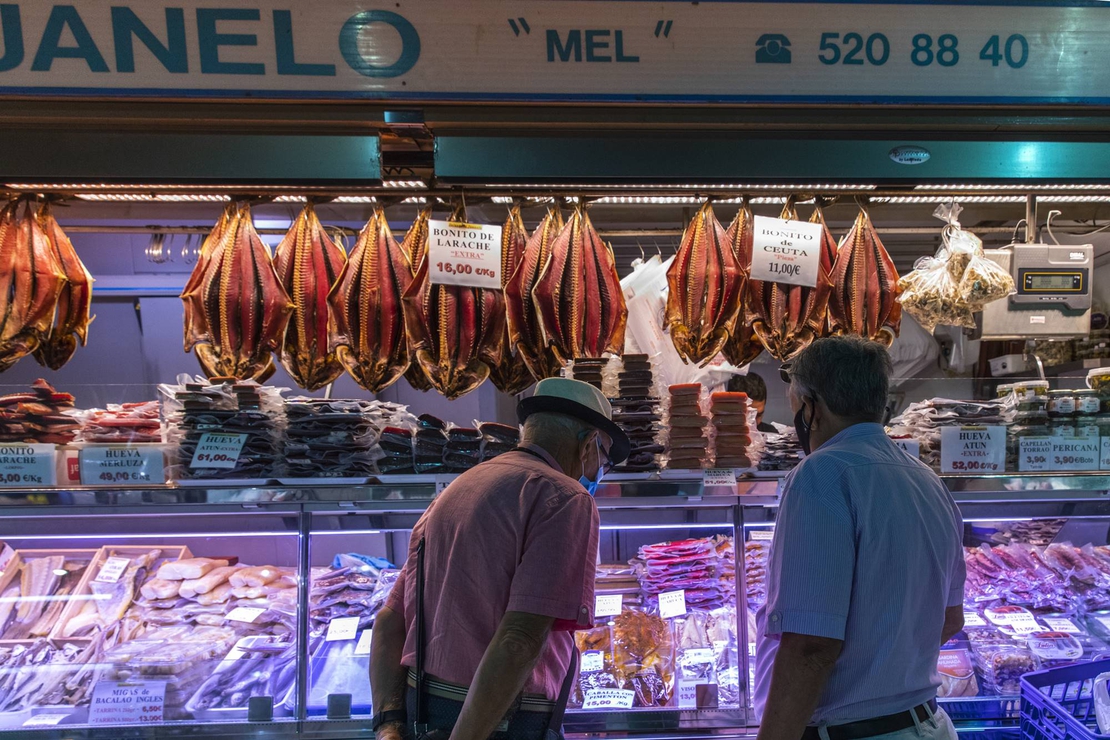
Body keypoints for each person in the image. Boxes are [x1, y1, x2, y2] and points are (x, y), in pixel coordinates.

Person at [370, 378, 630, 740]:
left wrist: (388, 724)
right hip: (497, 722)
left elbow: (390, 619)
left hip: (422, 711)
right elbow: (520, 637)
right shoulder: (565, 498)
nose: (600, 472)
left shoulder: (458, 488)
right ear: (588, 444)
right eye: (604, 458)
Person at [754, 336, 965, 740]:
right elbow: (950, 618)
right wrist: (884, 667)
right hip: (927, 726)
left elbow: (811, 648)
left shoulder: (820, 475)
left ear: (810, 406)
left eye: (794, 402)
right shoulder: (927, 479)